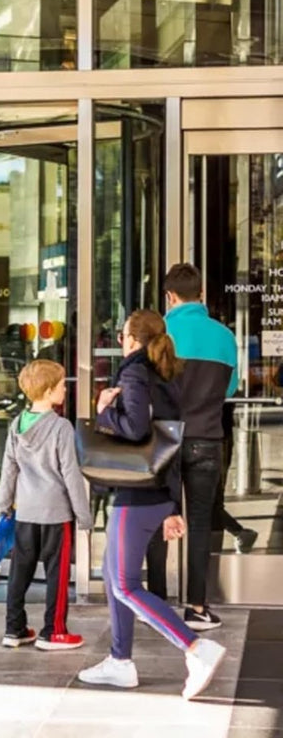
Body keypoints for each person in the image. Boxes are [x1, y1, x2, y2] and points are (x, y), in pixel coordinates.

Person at [78, 310, 227, 699]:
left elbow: (136, 429)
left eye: (123, 333)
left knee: (125, 584)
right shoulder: (166, 373)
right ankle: (120, 661)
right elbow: (169, 441)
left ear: (132, 339)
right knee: (114, 578)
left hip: (137, 494)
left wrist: (104, 410)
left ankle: (195, 648)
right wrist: (172, 505)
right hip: (155, 491)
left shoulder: (134, 372)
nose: (120, 339)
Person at [0, 359, 92, 651]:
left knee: (20, 571)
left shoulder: (16, 424)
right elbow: (71, 474)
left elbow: (9, 469)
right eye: (62, 385)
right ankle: (54, 631)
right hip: (55, 513)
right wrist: (84, 515)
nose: (65, 389)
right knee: (57, 575)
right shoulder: (61, 427)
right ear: (49, 391)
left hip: (25, 511)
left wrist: (4, 504)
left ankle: (14, 628)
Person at [164, 263, 238, 630]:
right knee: (199, 523)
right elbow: (230, 388)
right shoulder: (224, 336)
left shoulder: (162, 332)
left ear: (170, 297)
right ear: (202, 294)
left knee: (159, 517)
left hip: (165, 440)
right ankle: (197, 607)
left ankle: (155, 603)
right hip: (207, 439)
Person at [212, 402, 257, 553]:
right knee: (212, 500)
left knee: (211, 500)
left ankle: (235, 535)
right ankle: (237, 535)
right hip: (213, 436)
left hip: (214, 438)